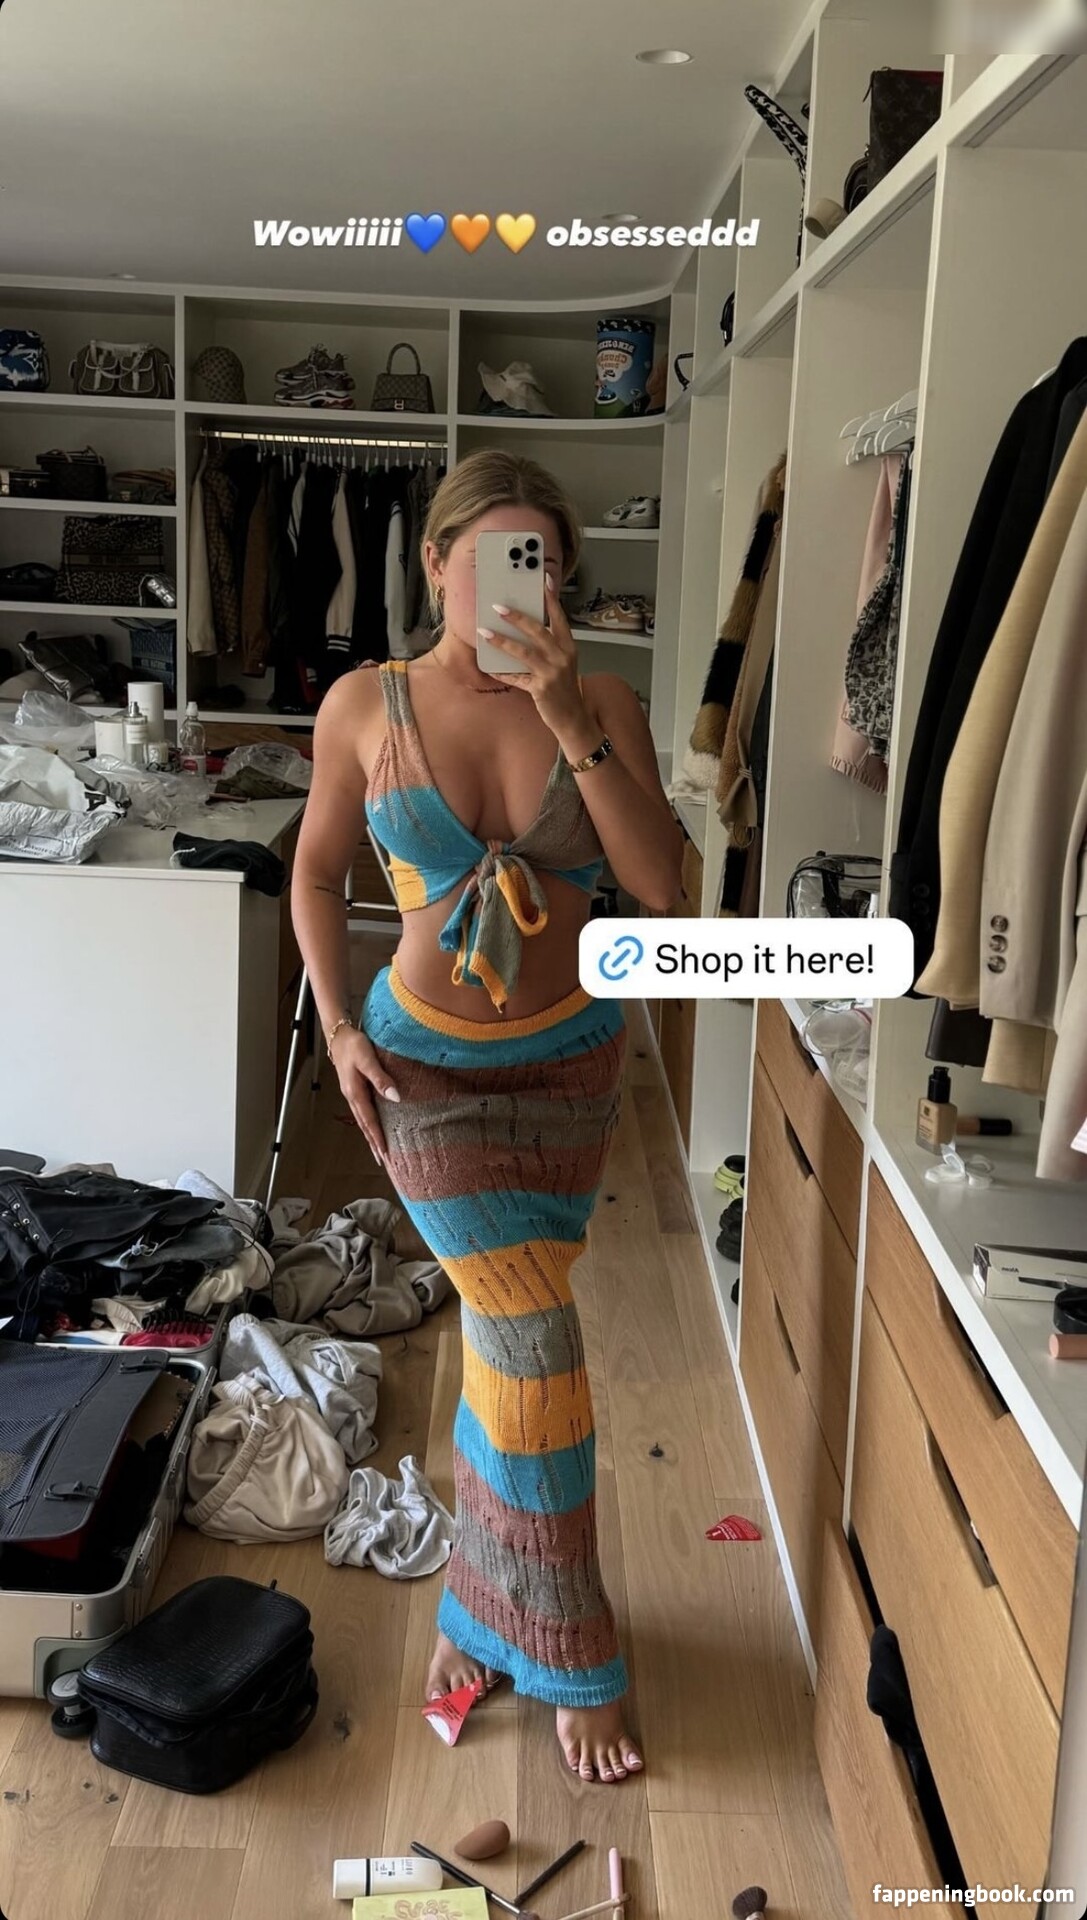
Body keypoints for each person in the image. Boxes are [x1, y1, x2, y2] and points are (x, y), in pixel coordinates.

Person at [292, 448, 682, 1783]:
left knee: (508, 1349)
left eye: (547, 566)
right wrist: (336, 1026)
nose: (524, 586)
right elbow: (316, 874)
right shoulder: (367, 702)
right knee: (537, 1341)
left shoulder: (602, 700)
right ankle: (573, 1646)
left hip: (571, 1070)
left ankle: (476, 1606)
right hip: (424, 1074)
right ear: (435, 562)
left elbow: (663, 887)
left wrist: (569, 715)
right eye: (498, 560)